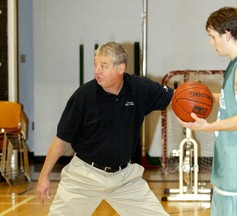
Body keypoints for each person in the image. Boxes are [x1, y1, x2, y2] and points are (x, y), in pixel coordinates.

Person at [37, 41, 173, 215]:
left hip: (124, 178)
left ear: (120, 68)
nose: (97, 71)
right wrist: (43, 176)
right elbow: (61, 140)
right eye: (95, 65)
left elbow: (178, 98)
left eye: (103, 66)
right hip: (84, 177)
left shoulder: (139, 88)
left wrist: (217, 99)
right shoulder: (83, 96)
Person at [177, 7, 237, 216]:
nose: (211, 43)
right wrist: (209, 98)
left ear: (227, 33)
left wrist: (210, 127)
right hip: (231, 167)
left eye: (213, 36)